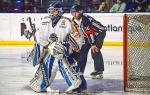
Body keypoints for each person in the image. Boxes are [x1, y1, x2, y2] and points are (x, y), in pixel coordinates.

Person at [27, 3, 87, 94]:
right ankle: (40, 83)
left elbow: (78, 38)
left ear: (60, 11)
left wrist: (70, 48)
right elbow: (39, 36)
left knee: (60, 56)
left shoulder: (68, 22)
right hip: (51, 50)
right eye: (50, 10)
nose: (51, 12)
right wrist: (43, 47)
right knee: (51, 59)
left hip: (66, 51)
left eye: (54, 10)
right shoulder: (44, 21)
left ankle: (76, 83)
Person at [70, 4, 106, 79]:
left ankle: (99, 71)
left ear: (80, 12)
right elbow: (81, 32)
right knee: (83, 51)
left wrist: (93, 44)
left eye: (75, 12)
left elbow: (90, 33)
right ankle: (80, 71)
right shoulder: (74, 20)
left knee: (94, 50)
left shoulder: (85, 19)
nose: (74, 14)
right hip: (89, 35)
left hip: (99, 33)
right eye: (72, 13)